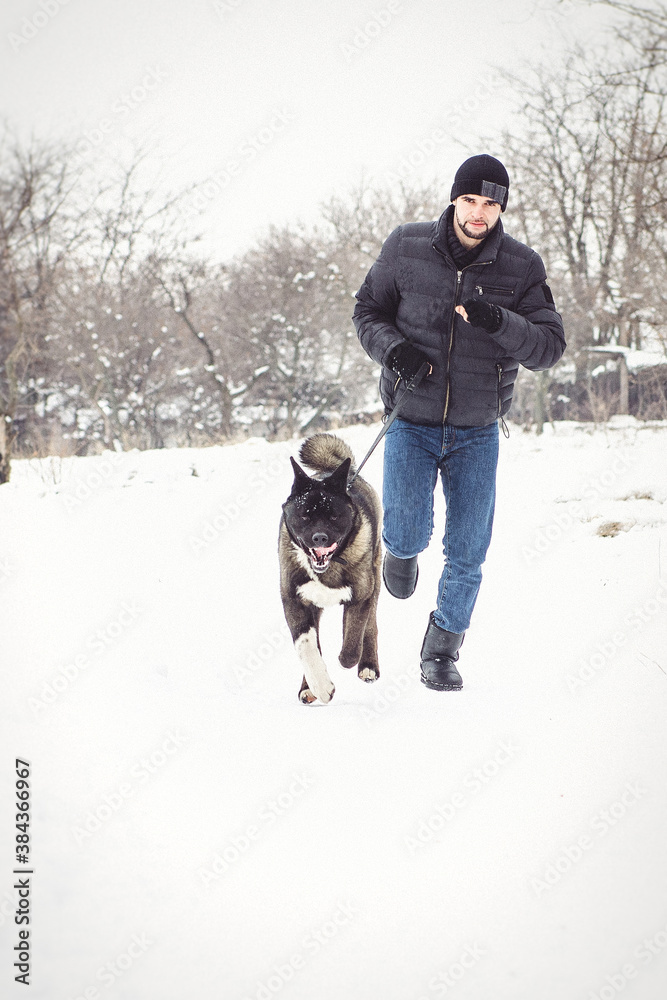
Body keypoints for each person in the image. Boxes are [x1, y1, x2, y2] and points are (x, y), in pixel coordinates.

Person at [352, 154, 565, 691]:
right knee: (405, 529)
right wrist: (394, 351)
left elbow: (548, 347)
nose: (478, 213)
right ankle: (399, 554)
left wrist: (501, 322)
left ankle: (442, 648)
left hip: (477, 428)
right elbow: (366, 312)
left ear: (502, 209)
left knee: (469, 548)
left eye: (490, 203)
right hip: (411, 418)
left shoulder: (521, 267)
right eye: (470, 200)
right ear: (454, 199)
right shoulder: (405, 246)